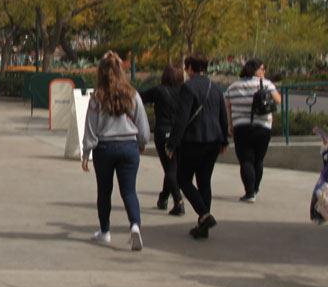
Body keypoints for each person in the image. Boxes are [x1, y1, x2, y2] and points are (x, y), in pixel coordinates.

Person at [81, 51, 151, 251]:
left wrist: (86, 152)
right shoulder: (132, 95)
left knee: (104, 191)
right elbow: (142, 124)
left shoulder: (97, 97)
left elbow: (90, 127)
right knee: (129, 191)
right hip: (129, 147)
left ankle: (105, 231)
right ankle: (135, 225)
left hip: (104, 148)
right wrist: (142, 143)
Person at [166, 52, 229, 239]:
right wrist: (224, 139)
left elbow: (182, 118)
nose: (186, 71)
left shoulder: (188, 88)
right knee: (204, 180)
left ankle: (204, 215)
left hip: (193, 140)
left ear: (191, 68)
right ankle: (203, 226)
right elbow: (223, 114)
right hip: (213, 140)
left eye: (186, 68)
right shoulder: (215, 87)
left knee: (183, 179)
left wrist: (172, 143)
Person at [224, 58, 281, 202]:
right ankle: (255, 188)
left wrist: (230, 124)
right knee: (258, 159)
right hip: (263, 127)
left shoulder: (234, 86)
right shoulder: (266, 84)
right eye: (261, 69)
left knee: (246, 159)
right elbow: (278, 100)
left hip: (241, 127)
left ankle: (249, 192)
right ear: (254, 70)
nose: (264, 72)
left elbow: (228, 105)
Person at [140, 64, 185, 216]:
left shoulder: (159, 91)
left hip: (164, 132)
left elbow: (139, 97)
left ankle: (178, 201)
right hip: (181, 132)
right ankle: (164, 197)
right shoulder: (185, 91)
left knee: (170, 169)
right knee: (173, 167)